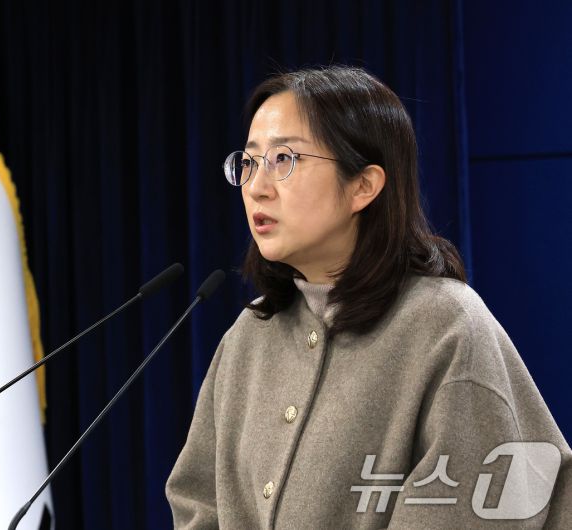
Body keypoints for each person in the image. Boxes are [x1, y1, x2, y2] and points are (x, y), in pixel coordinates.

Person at [165, 66, 571, 529]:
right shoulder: (249, 335)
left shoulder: (446, 326)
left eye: (283, 159)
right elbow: (197, 500)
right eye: (250, 162)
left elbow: (485, 502)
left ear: (363, 185)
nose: (256, 187)